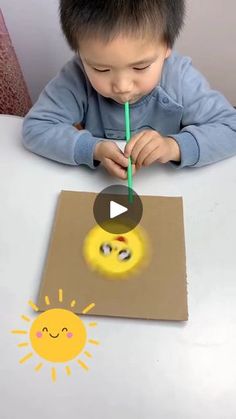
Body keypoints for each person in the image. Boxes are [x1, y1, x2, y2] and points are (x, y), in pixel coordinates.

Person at [22, 0, 236, 180]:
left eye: (140, 67)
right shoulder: (76, 77)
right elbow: (36, 127)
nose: (122, 86)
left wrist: (173, 147)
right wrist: (93, 149)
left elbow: (230, 128)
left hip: (169, 185)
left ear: (167, 47)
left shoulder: (179, 78)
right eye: (101, 68)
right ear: (80, 53)